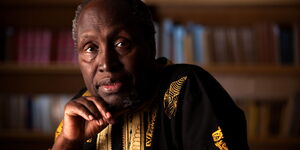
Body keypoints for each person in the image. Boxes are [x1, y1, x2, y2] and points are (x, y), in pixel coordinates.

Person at [52, 0, 249, 149]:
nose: (106, 64)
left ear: (150, 45)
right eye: (90, 48)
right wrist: (68, 142)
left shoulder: (187, 90)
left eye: (122, 44)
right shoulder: (80, 110)